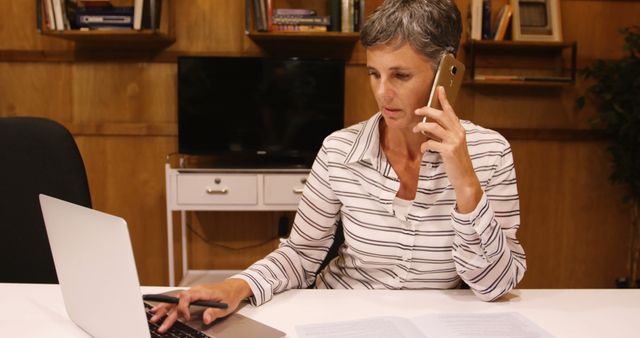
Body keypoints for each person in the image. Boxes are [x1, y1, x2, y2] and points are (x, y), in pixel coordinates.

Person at [151, 0, 526, 332]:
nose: (383, 93)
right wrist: (235, 286)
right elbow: (300, 255)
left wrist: (465, 182)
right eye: (374, 74)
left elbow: (494, 285)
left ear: (447, 74)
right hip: (338, 321)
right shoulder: (339, 151)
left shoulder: (490, 152)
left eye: (401, 75)